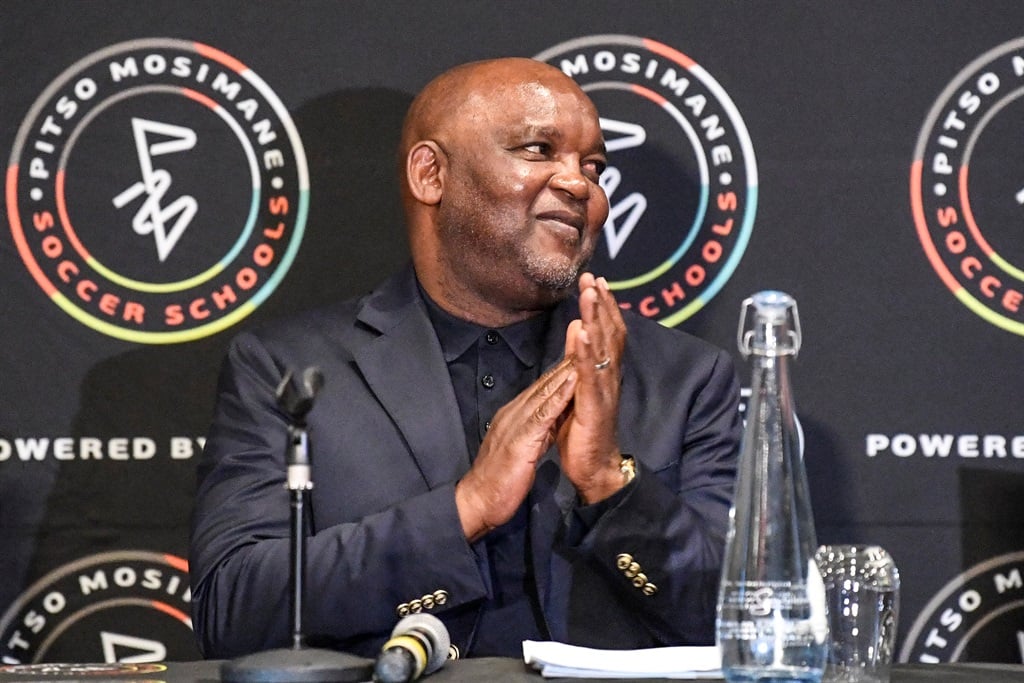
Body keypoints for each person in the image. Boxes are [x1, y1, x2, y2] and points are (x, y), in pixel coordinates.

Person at [189, 57, 741, 661]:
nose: (580, 185)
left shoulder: (686, 377)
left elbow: (745, 624)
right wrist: (466, 508)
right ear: (431, 175)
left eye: (594, 166)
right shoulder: (288, 370)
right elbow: (233, 611)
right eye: (538, 150)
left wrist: (610, 483)